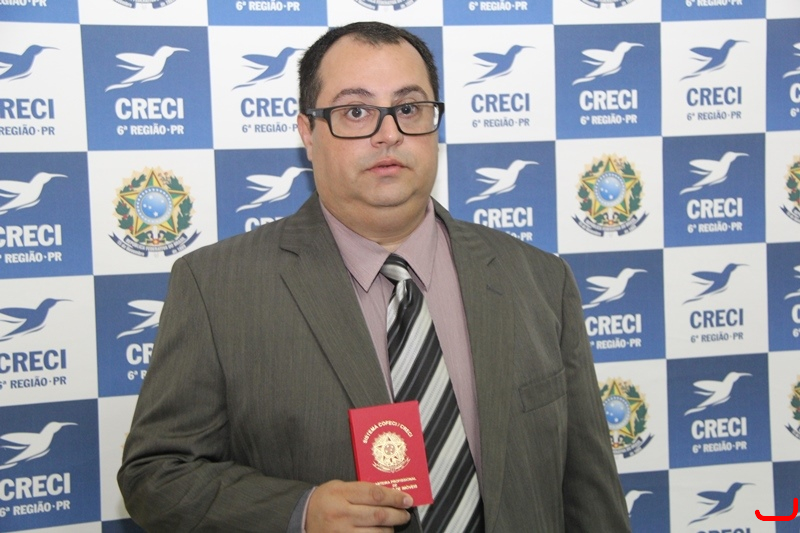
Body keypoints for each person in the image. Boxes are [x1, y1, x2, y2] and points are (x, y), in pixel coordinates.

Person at [118, 21, 631, 532]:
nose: (389, 134)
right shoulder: (217, 288)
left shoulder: (539, 279)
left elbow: (590, 495)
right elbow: (155, 476)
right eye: (356, 112)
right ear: (308, 132)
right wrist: (299, 512)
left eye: (409, 109)